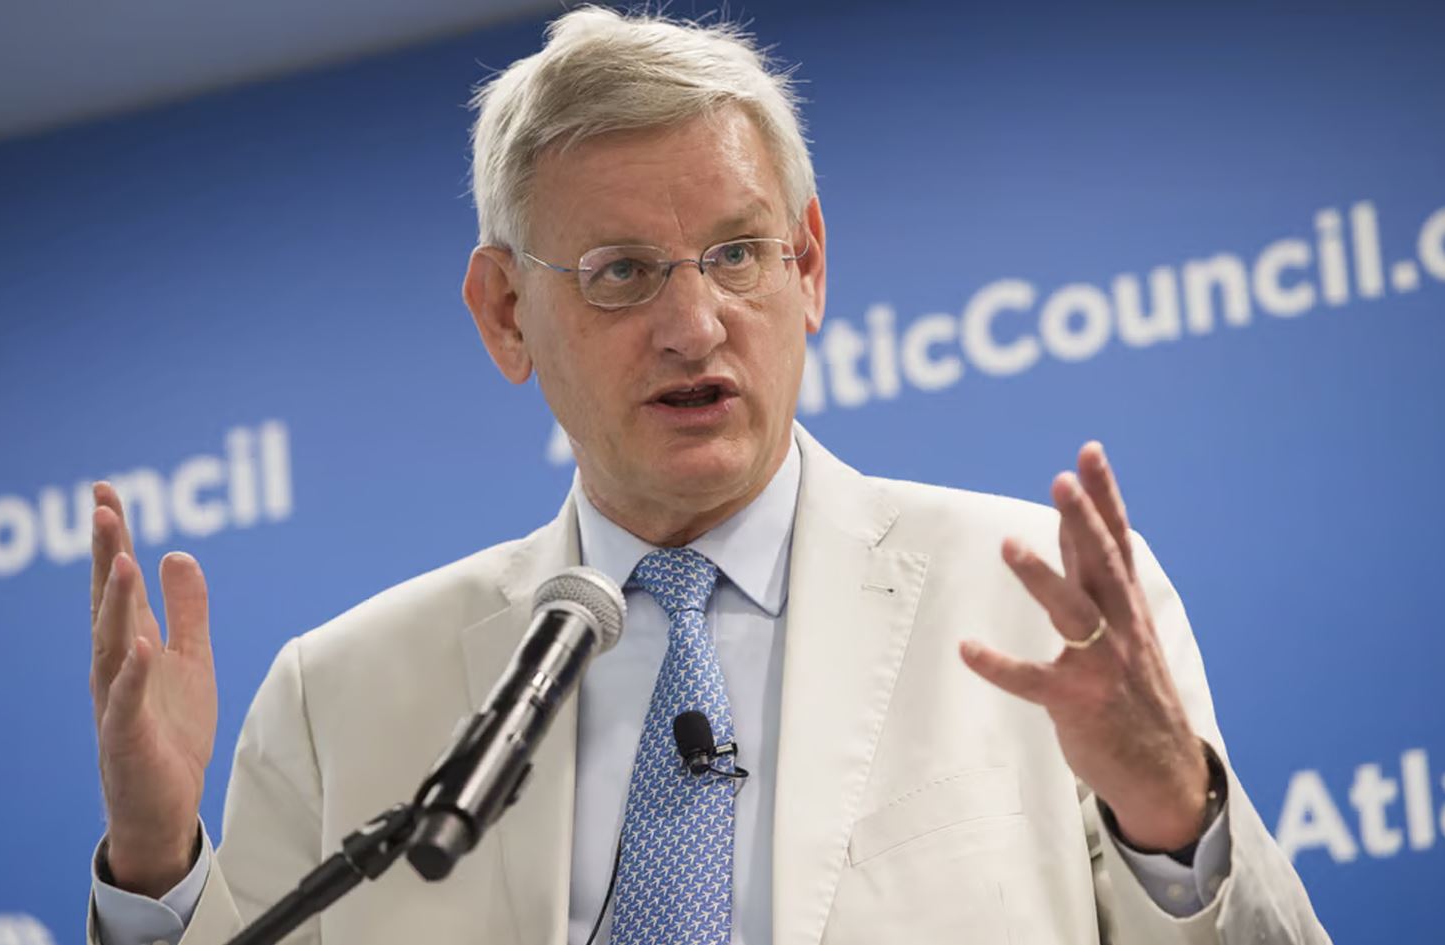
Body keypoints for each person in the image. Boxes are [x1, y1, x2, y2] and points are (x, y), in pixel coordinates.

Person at [86, 8, 1330, 944]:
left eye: (737, 254)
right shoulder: (339, 699)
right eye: (622, 273)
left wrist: (1176, 817)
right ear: (506, 313)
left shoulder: (1042, 609)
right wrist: (152, 864)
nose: (695, 327)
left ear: (810, 266)